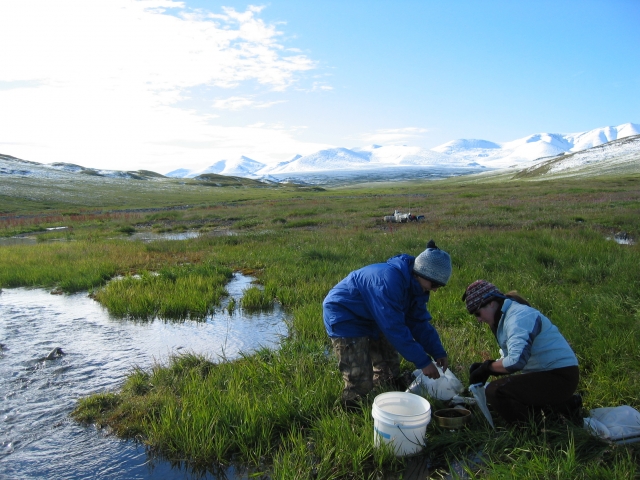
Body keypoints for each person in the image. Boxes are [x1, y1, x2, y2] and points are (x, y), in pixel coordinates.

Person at [323, 240, 452, 408]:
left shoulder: (417, 288)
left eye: (439, 286)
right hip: (345, 315)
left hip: (374, 316)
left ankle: (384, 404)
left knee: (389, 370)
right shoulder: (389, 281)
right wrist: (423, 362)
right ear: (420, 273)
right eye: (434, 284)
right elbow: (394, 328)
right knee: (360, 380)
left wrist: (437, 351)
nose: (435, 290)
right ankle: (351, 413)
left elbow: (418, 323)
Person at [463, 280, 580, 424]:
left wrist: (487, 368)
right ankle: (564, 406)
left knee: (496, 391)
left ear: (491, 303)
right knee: (505, 393)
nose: (479, 319)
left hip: (561, 377)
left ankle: (529, 433)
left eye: (478, 313)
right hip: (548, 374)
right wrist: (485, 367)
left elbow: (516, 362)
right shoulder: (504, 317)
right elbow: (509, 357)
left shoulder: (518, 317)